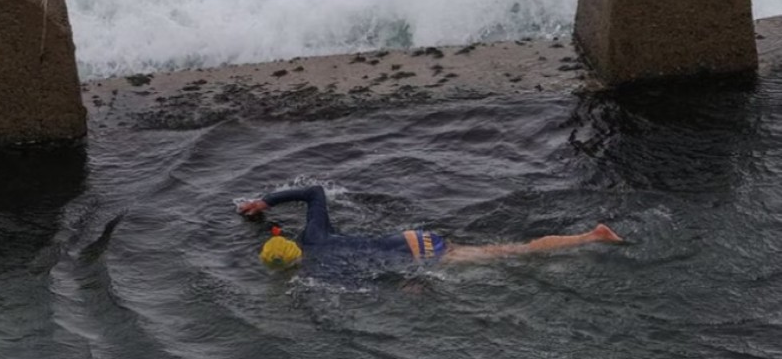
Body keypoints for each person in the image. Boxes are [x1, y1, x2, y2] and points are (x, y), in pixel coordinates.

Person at [238, 185, 623, 269]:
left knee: (514, 253)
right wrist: (267, 202)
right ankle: (588, 236)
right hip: (410, 237)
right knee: (503, 250)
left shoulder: (320, 271)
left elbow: (373, 280)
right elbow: (316, 193)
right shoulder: (313, 235)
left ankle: (591, 236)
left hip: (417, 255)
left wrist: (411, 282)